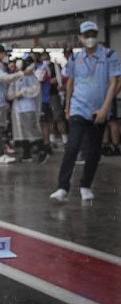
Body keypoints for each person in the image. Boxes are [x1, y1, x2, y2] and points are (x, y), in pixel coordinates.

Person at [50, 21, 121, 202]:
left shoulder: (109, 55)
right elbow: (70, 83)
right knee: (72, 147)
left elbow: (115, 83)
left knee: (94, 151)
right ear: (80, 38)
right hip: (78, 108)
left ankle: (85, 185)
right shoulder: (75, 59)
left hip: (99, 110)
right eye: (86, 35)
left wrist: (105, 108)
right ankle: (62, 187)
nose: (90, 38)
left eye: (93, 34)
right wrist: (67, 107)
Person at [9, 56, 45, 163]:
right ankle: (26, 153)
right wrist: (12, 95)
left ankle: (43, 151)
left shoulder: (31, 77)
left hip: (28, 107)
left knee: (32, 130)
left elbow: (35, 88)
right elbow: (11, 90)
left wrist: (22, 92)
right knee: (23, 132)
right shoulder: (17, 76)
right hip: (18, 108)